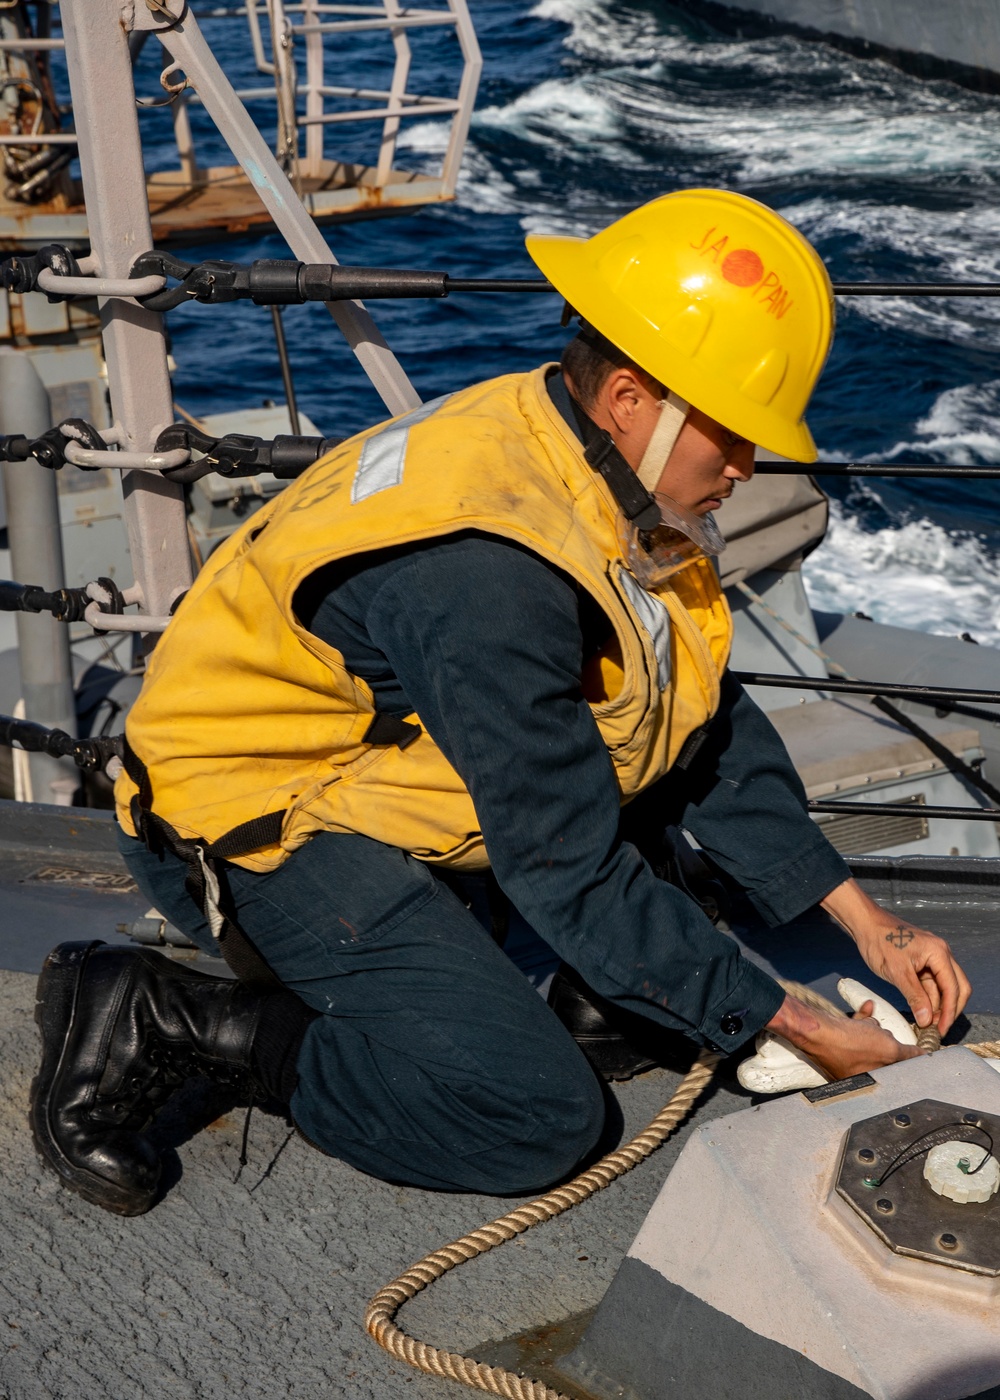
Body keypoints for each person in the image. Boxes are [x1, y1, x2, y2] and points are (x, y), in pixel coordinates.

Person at [31, 188, 970, 1217]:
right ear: (626, 400)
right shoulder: (491, 570)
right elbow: (564, 865)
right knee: (529, 1113)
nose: (746, 469)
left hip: (384, 767)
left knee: (643, 931)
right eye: (732, 438)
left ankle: (600, 995)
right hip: (256, 819)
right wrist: (791, 1020)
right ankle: (171, 1016)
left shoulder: (577, 458)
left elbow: (692, 713)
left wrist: (864, 921)